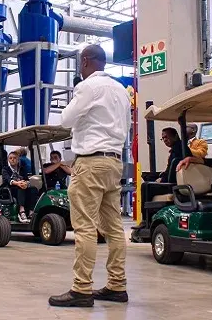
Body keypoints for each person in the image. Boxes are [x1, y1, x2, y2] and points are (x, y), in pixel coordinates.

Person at [49, 44, 131, 307]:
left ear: (85, 62)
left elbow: (65, 119)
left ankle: (81, 289)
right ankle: (117, 286)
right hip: (114, 163)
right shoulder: (121, 90)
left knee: (85, 227)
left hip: (91, 163)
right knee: (114, 228)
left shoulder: (87, 87)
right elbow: (125, 128)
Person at [2, 151, 36, 223]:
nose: (12, 159)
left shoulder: (22, 169)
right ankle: (21, 210)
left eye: (14, 158)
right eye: (10, 158)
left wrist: (26, 183)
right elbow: (8, 179)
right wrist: (18, 183)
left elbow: (26, 179)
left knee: (33, 189)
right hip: (10, 189)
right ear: (8, 160)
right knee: (20, 188)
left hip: (22, 187)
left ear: (18, 160)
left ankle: (31, 211)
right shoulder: (5, 169)